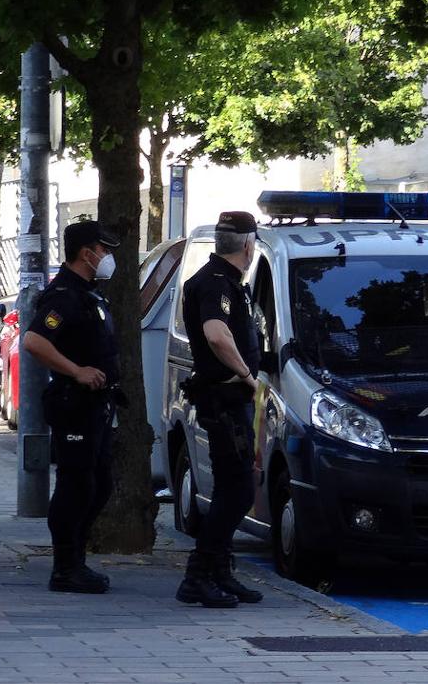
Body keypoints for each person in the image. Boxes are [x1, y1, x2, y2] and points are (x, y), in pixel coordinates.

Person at [23, 221, 121, 594]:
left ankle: (76, 560)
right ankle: (65, 567)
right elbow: (34, 340)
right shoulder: (64, 295)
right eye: (105, 250)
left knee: (97, 485)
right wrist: (77, 371)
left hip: (95, 405)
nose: (108, 257)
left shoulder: (88, 293)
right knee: (76, 486)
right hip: (74, 405)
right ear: (87, 253)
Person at [175, 212, 264, 609]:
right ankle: (198, 576)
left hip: (227, 400)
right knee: (238, 491)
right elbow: (216, 334)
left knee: (234, 488)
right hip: (224, 399)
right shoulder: (215, 284)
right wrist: (247, 375)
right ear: (248, 245)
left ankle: (220, 573)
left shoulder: (224, 282)